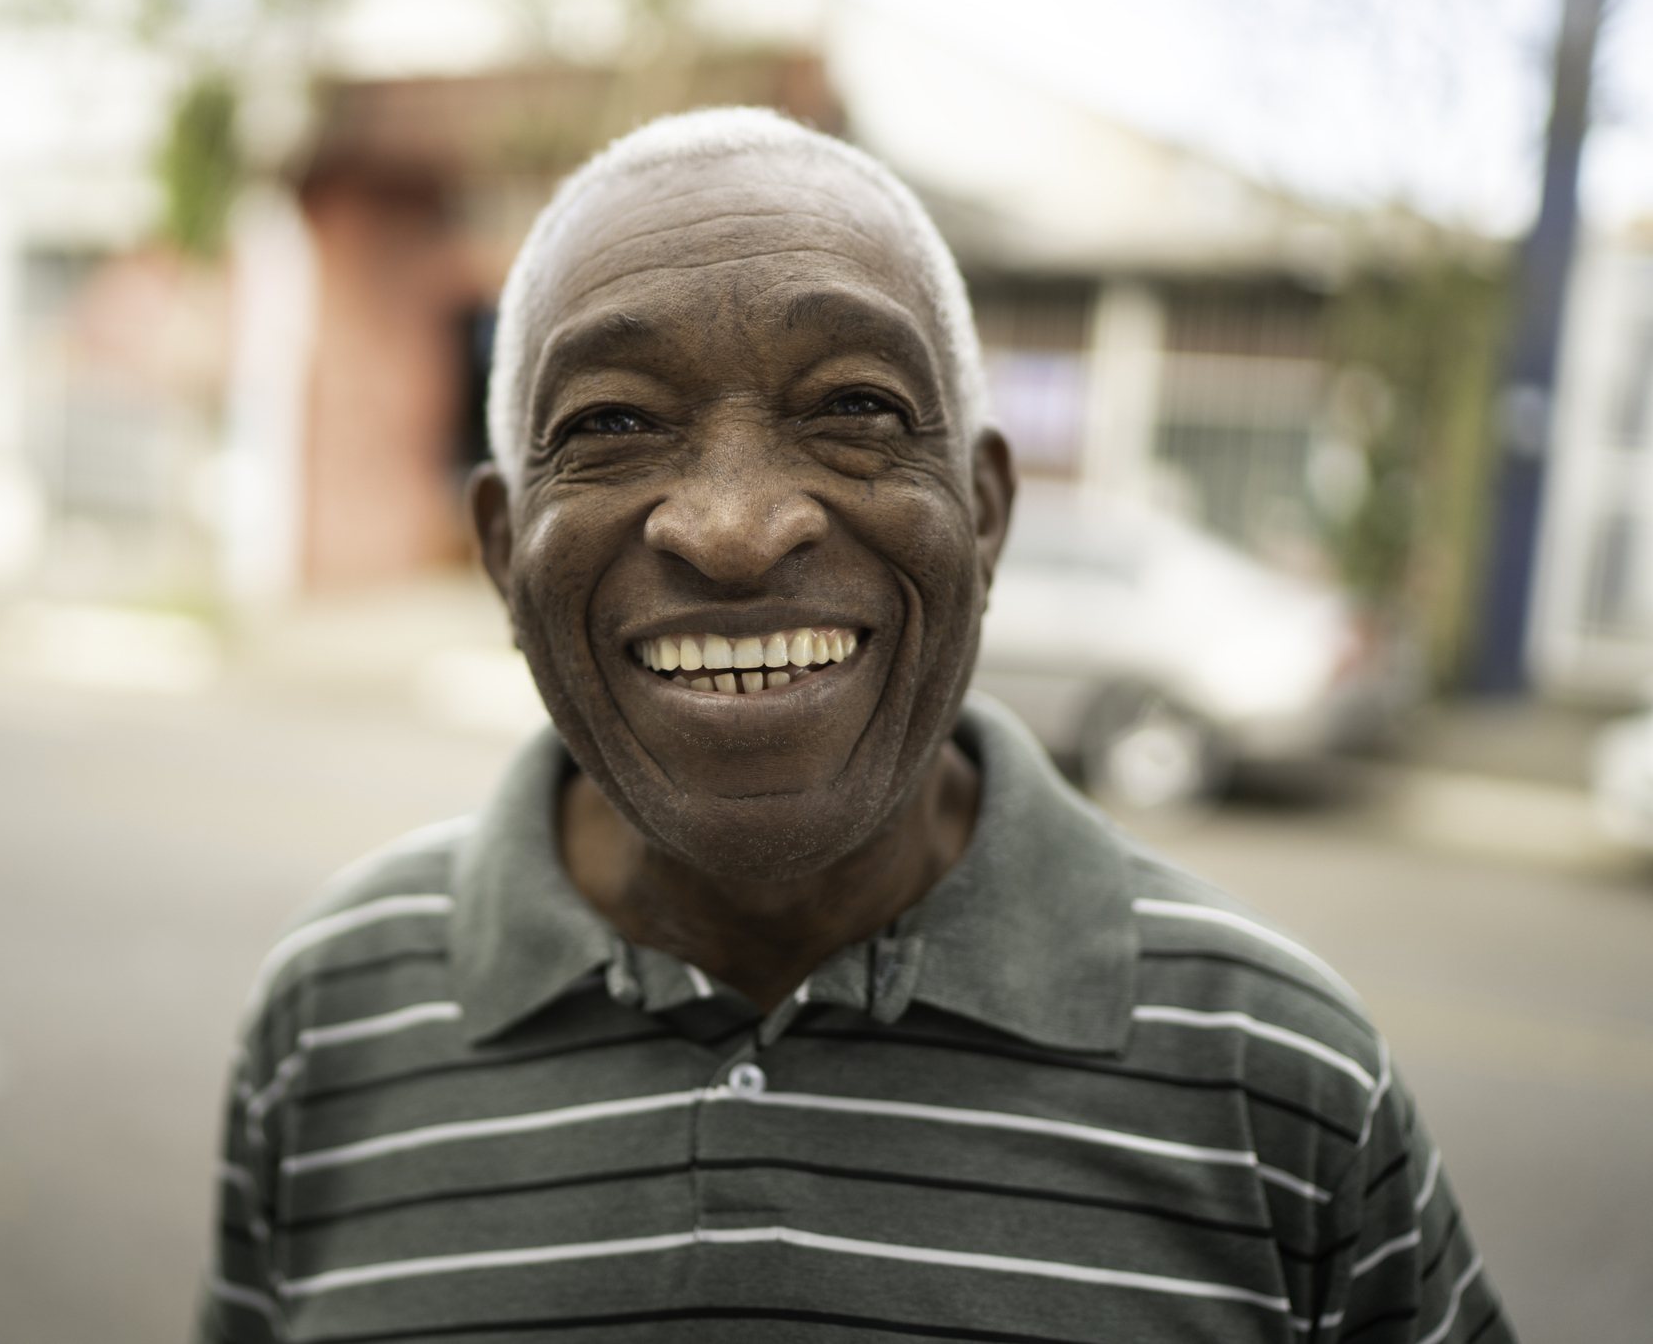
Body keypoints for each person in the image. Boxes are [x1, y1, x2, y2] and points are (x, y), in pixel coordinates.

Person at [198, 108, 1512, 1344]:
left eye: (854, 408)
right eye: (609, 422)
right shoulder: (331, 1016)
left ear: (986, 515)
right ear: (502, 553)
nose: (734, 526)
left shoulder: (1279, 1077)